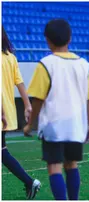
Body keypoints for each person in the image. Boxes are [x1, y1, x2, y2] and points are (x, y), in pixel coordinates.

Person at [23, 19, 89, 200]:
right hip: (75, 125)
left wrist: (30, 124)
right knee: (71, 164)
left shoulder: (46, 64)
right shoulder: (82, 64)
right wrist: (88, 125)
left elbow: (38, 99)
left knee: (54, 166)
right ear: (70, 38)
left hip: (53, 126)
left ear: (47, 40)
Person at [1, 26, 41, 200]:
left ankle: (29, 181)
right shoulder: (11, 57)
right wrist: (27, 105)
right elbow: (20, 83)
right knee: (2, 151)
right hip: (6, 111)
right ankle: (29, 182)